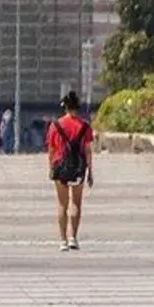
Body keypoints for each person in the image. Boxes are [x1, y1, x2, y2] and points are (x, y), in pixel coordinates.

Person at [45, 91, 94, 251]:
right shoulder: (85, 126)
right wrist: (90, 171)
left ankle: (63, 240)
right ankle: (73, 237)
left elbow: (51, 150)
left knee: (62, 204)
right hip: (78, 168)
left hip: (60, 166)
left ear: (65, 107)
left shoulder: (55, 125)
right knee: (76, 203)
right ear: (77, 108)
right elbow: (87, 150)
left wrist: (51, 168)